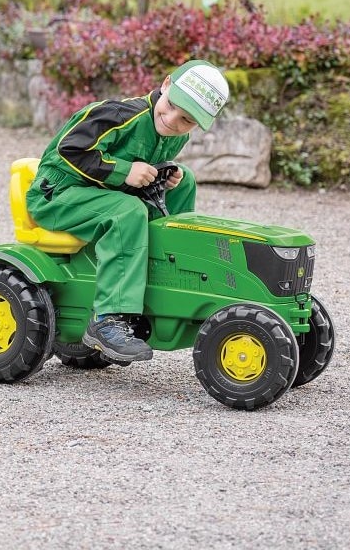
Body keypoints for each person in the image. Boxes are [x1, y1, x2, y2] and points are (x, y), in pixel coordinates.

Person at [26, 59, 230, 363]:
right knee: (128, 211)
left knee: (184, 179)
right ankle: (108, 319)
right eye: (172, 105)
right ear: (165, 85)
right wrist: (124, 172)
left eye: (186, 120)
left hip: (99, 193)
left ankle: (167, 268)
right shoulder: (119, 115)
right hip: (58, 192)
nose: (173, 120)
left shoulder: (176, 135)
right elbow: (70, 150)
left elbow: (142, 170)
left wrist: (163, 175)